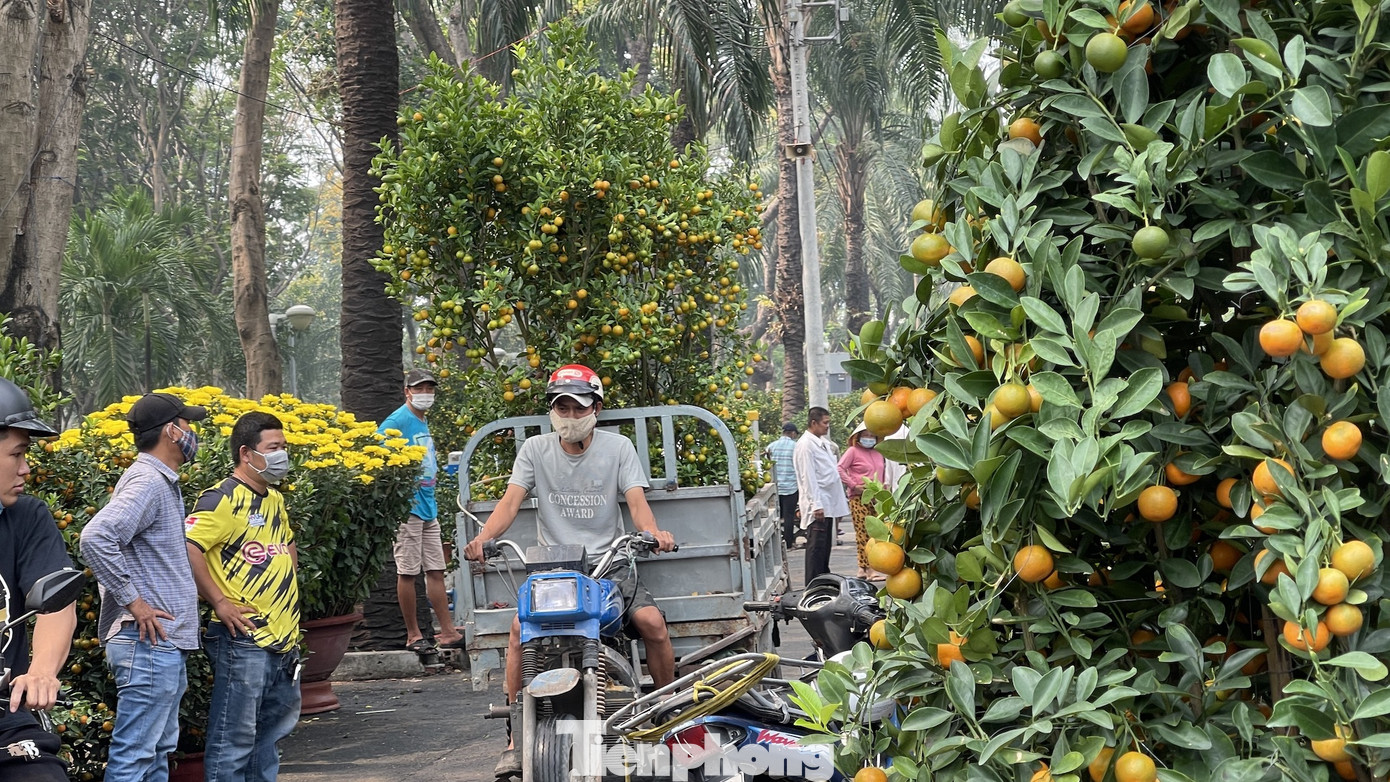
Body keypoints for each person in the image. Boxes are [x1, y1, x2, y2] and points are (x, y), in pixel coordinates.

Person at [462, 364, 676, 780]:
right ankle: (515, 736)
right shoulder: (535, 450)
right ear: (552, 410)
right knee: (517, 631)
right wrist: (482, 539)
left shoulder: (618, 448)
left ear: (596, 408)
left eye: (579, 408)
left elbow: (637, 504)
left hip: (610, 562)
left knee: (652, 624)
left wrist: (654, 534)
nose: (571, 416)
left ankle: (663, 715)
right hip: (554, 566)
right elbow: (510, 503)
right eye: (563, 408)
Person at [80, 392, 205, 782]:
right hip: (147, 643)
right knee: (135, 756)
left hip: (157, 644)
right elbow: (96, 537)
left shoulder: (157, 480)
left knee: (153, 755)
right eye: (187, 424)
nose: (192, 432)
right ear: (171, 431)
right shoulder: (149, 481)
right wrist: (135, 603)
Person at [184, 411, 301, 781]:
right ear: (247, 454)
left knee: (269, 736)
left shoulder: (274, 499)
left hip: (282, 637)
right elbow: (189, 547)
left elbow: (287, 543)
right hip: (244, 638)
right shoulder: (220, 498)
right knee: (233, 738)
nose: (282, 455)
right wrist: (219, 601)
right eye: (274, 448)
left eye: (284, 447)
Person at [0, 378, 77, 781]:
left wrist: (41, 672)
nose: (26, 468)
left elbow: (57, 601)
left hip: (5, 714)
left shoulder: (27, 518)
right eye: (17, 454)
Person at [378, 368, 464, 653]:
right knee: (407, 572)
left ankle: (448, 632)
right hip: (408, 509)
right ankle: (413, 635)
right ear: (407, 391)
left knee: (436, 569)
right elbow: (376, 452)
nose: (426, 394)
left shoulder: (421, 420)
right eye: (419, 388)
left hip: (428, 506)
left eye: (430, 388)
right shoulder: (398, 420)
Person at [793, 406, 848, 585]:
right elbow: (808, 477)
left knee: (824, 548)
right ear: (814, 423)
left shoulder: (822, 443)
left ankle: (823, 582)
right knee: (816, 549)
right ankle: (813, 585)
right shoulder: (805, 445)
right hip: (819, 504)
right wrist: (816, 504)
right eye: (825, 423)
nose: (827, 426)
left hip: (828, 502)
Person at [838, 424, 886, 581]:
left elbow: (882, 474)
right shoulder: (852, 451)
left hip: (877, 498)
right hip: (859, 497)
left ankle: (863, 568)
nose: (869, 438)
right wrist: (853, 485)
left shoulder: (878, 452)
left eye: (872, 435)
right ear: (858, 437)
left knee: (877, 532)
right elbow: (840, 468)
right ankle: (869, 569)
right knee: (863, 532)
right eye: (866, 435)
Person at [764, 422, 800, 547]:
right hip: (791, 487)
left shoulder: (771, 446)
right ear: (793, 433)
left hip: (775, 488)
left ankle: (775, 543)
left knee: (774, 516)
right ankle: (788, 543)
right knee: (789, 516)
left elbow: (766, 465)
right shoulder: (796, 447)